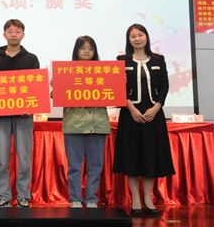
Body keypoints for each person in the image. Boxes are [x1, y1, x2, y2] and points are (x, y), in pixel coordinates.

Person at [113, 23, 174, 218]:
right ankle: (136, 200)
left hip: (153, 115)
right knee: (131, 158)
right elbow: (117, 87)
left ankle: (148, 199)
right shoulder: (121, 60)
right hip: (130, 114)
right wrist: (130, 108)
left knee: (150, 157)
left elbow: (164, 85)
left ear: (146, 37)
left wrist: (156, 107)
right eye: (133, 36)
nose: (137, 39)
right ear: (128, 40)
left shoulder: (158, 59)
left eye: (140, 35)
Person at [0, 19, 40, 208]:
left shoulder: (31, 58)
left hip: (24, 115)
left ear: (23, 34)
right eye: (10, 31)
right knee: (1, 159)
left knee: (24, 157)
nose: (14, 34)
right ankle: (3, 195)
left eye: (18, 31)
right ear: (4, 34)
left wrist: (31, 104)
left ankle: (23, 195)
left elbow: (35, 87)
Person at [62, 36, 111, 208]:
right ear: (76, 50)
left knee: (95, 166)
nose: (87, 51)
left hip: (97, 125)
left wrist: (119, 83)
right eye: (83, 48)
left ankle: (91, 199)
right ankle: (75, 199)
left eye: (90, 48)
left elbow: (113, 93)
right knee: (74, 167)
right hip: (74, 125)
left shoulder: (105, 73)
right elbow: (58, 96)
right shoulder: (66, 72)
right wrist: (57, 86)